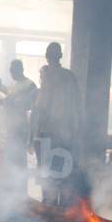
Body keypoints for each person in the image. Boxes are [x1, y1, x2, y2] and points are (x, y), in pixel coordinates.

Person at [31, 42, 81, 204]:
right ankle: (62, 205)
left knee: (47, 171)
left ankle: (50, 204)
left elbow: (42, 105)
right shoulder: (69, 76)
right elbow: (78, 104)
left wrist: (35, 131)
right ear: (60, 56)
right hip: (65, 133)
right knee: (60, 170)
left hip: (49, 132)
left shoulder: (48, 75)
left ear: (47, 56)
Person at [0, 59, 37, 197]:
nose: (11, 73)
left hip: (20, 127)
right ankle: (12, 191)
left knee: (20, 160)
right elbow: (10, 100)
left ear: (20, 69)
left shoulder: (30, 85)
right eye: (10, 71)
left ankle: (21, 192)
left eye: (13, 70)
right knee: (10, 160)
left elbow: (31, 106)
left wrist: (11, 103)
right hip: (10, 127)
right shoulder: (13, 85)